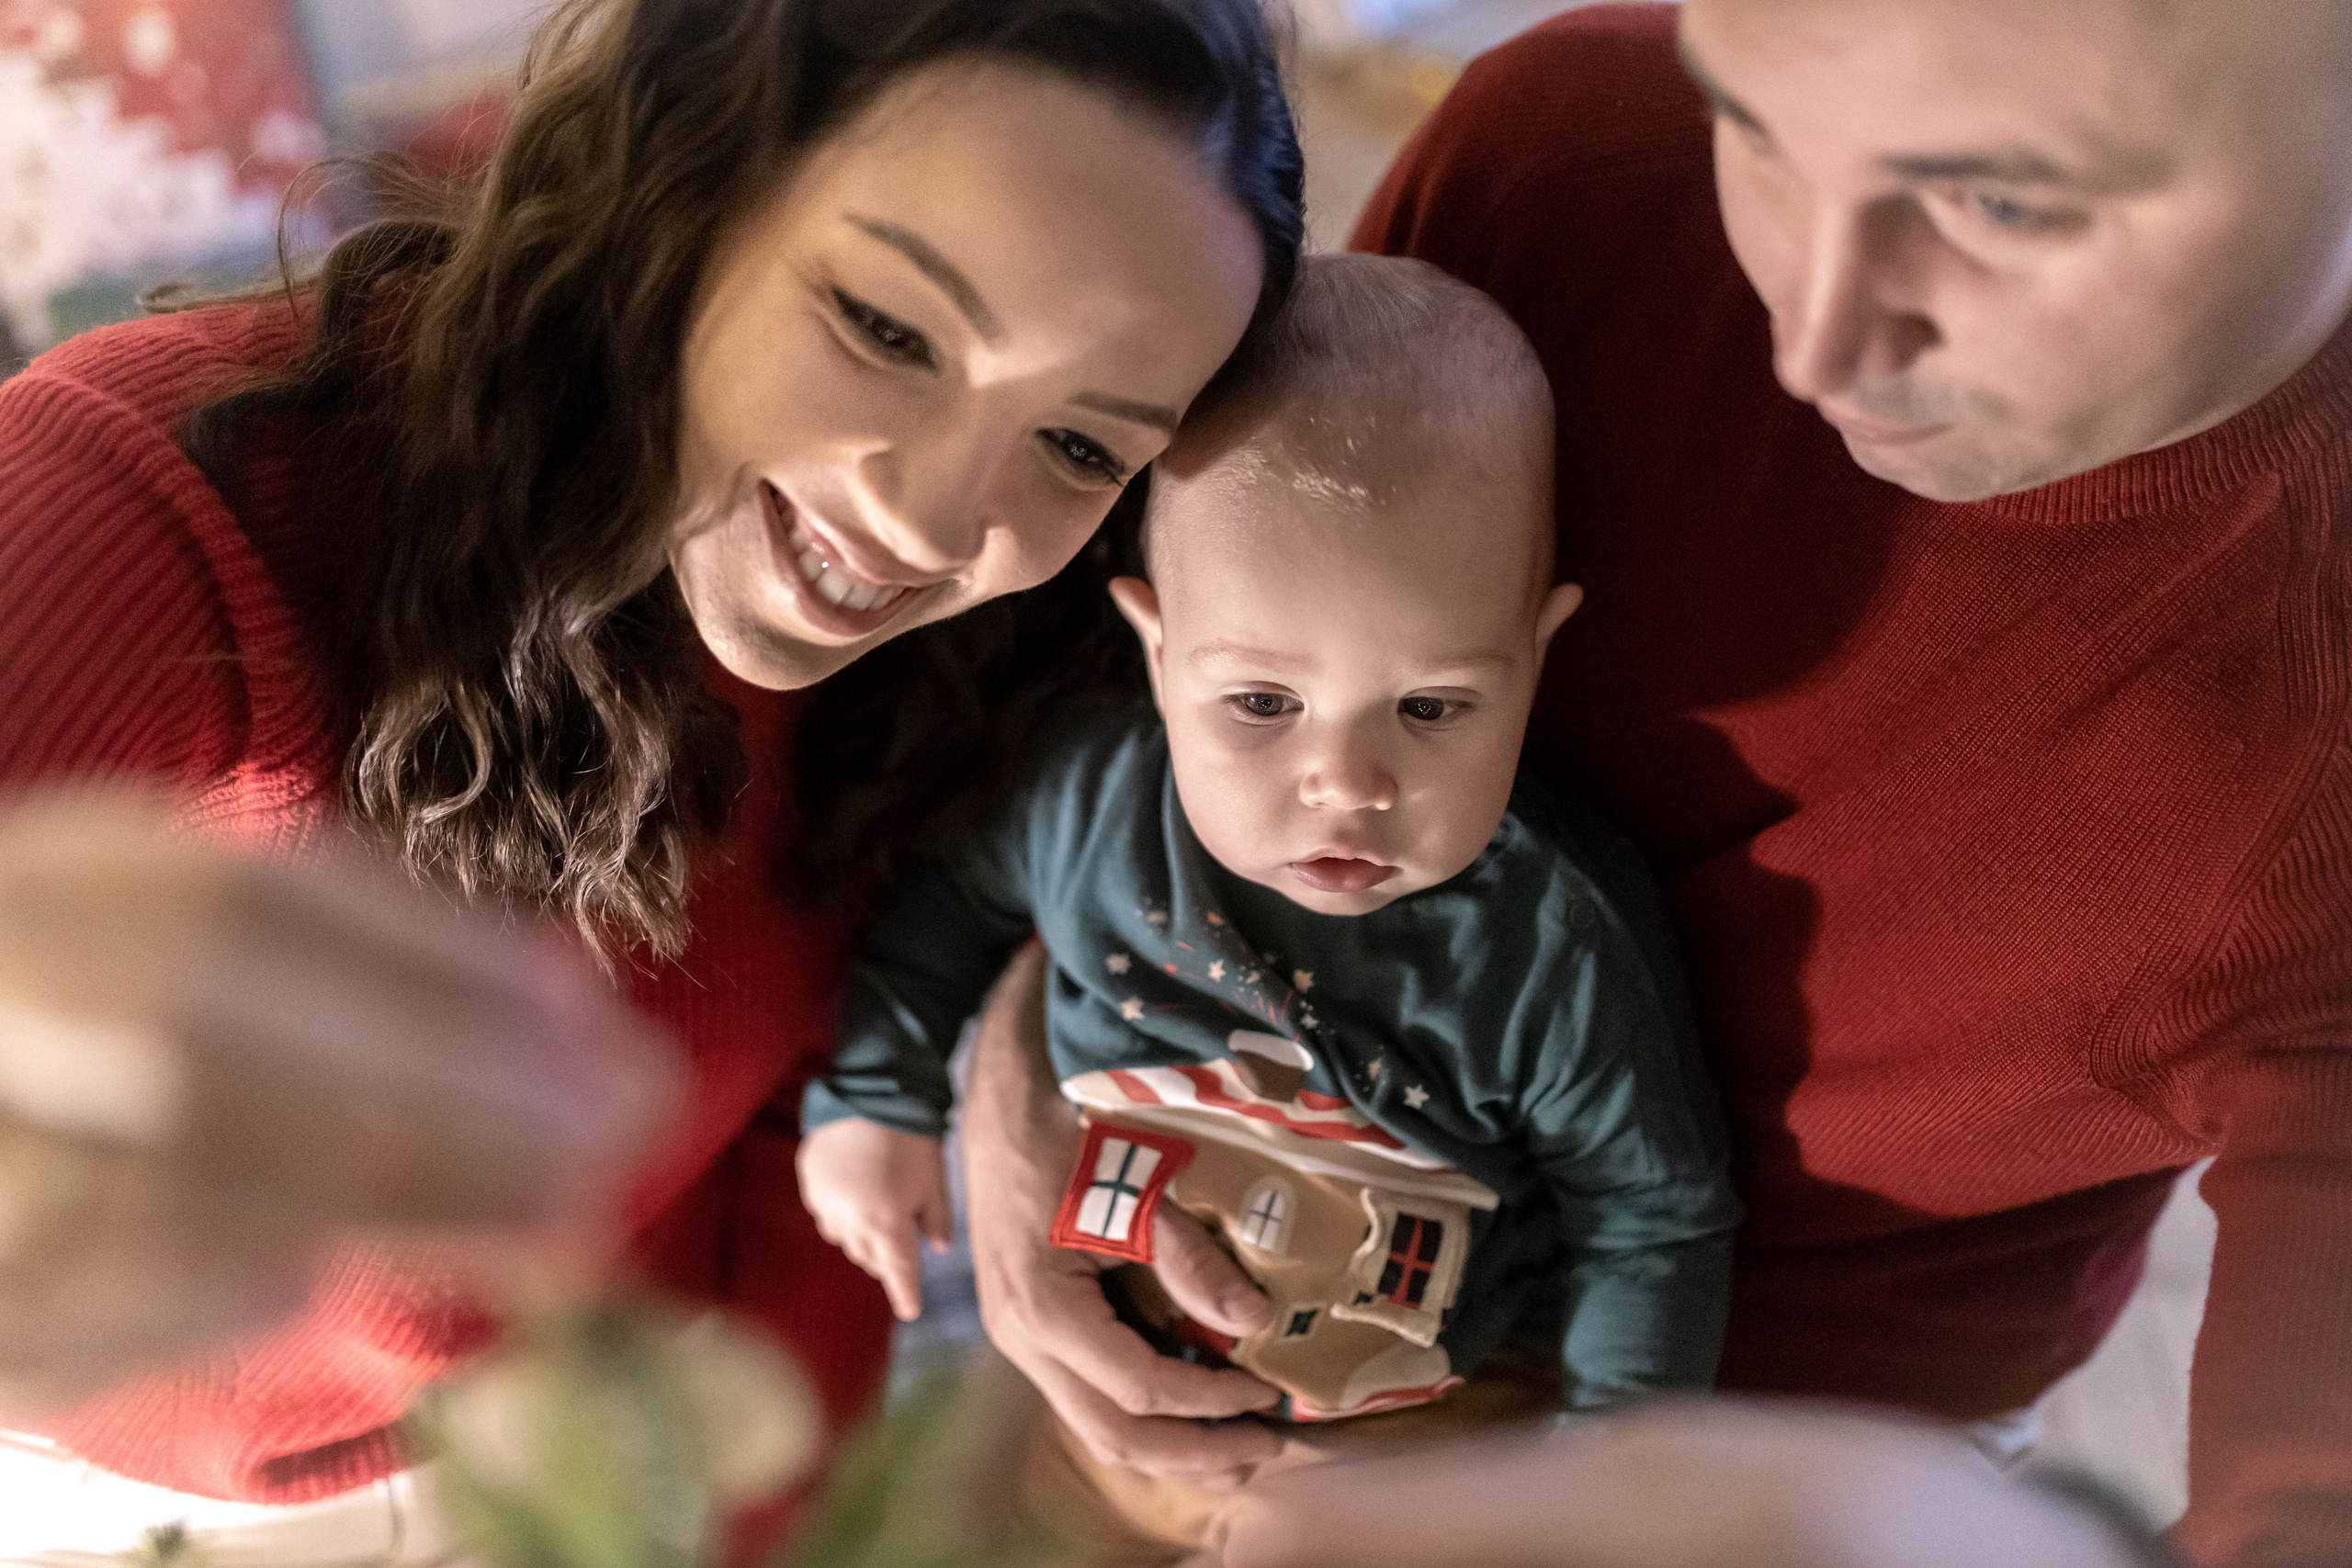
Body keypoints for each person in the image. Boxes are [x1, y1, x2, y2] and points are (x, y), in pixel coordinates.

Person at [953, 2, 2352, 1564]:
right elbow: (1201, 662)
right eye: (1759, 129)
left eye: (2000, 205)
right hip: (1182, 1190)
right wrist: (1017, 1064)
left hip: (1762, 1463)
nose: (1815, 339)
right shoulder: (1574, 146)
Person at [0, 0, 1302, 1555]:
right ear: (682, 183)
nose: (941, 519)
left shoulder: (973, 655)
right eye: (888, 330)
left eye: (1082, 448)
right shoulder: (131, 509)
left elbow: (781, 1155)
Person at [796, 254, 1737, 1559]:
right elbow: (950, 904)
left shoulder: (1552, 941)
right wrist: (875, 1098)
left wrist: (1608, 1488)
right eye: (1261, 704)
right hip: (1102, 1375)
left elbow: (1652, 1219)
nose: (1347, 784)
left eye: (1431, 707)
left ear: (1533, 658)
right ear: (1158, 652)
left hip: (1422, 1417)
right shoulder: (1091, 799)